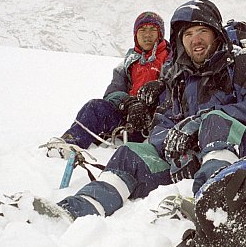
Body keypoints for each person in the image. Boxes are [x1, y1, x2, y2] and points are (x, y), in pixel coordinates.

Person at [51, 0, 246, 219]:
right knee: (131, 154)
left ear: (216, 33)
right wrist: (175, 147)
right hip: (196, 159)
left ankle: (214, 206)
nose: (195, 40)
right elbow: (163, 122)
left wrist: (199, 124)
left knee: (216, 122)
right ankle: (82, 207)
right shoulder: (180, 78)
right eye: (188, 34)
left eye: (202, 31)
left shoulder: (245, 64)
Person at [51, 11, 170, 150]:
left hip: (158, 122)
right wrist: (128, 103)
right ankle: (70, 144)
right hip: (128, 120)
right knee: (95, 107)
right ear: (135, 35)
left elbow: (179, 87)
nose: (147, 35)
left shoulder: (172, 59)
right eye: (142, 30)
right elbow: (112, 93)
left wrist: (154, 98)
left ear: (160, 33)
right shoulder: (127, 63)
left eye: (152, 30)